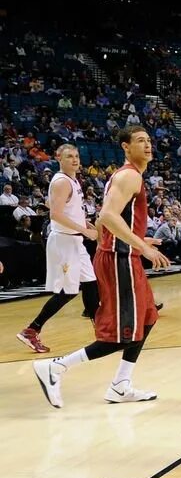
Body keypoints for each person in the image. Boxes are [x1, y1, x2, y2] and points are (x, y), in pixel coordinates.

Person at [32, 126, 170, 408]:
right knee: (122, 333)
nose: (147, 145)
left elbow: (104, 221)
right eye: (140, 141)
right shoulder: (129, 175)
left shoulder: (129, 176)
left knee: (147, 318)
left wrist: (140, 239)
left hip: (123, 255)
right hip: (118, 260)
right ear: (125, 147)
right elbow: (106, 216)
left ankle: (120, 385)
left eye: (148, 140)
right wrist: (140, 246)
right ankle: (56, 367)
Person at [17, 145, 100, 353]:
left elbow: (65, 209)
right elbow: (55, 214)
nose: (74, 159)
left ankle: (101, 331)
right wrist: (85, 230)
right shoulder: (62, 181)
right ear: (58, 158)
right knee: (68, 291)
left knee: (90, 283)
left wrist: (84, 223)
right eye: (69, 156)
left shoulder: (72, 180)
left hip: (74, 240)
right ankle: (31, 330)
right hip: (64, 241)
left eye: (77, 156)